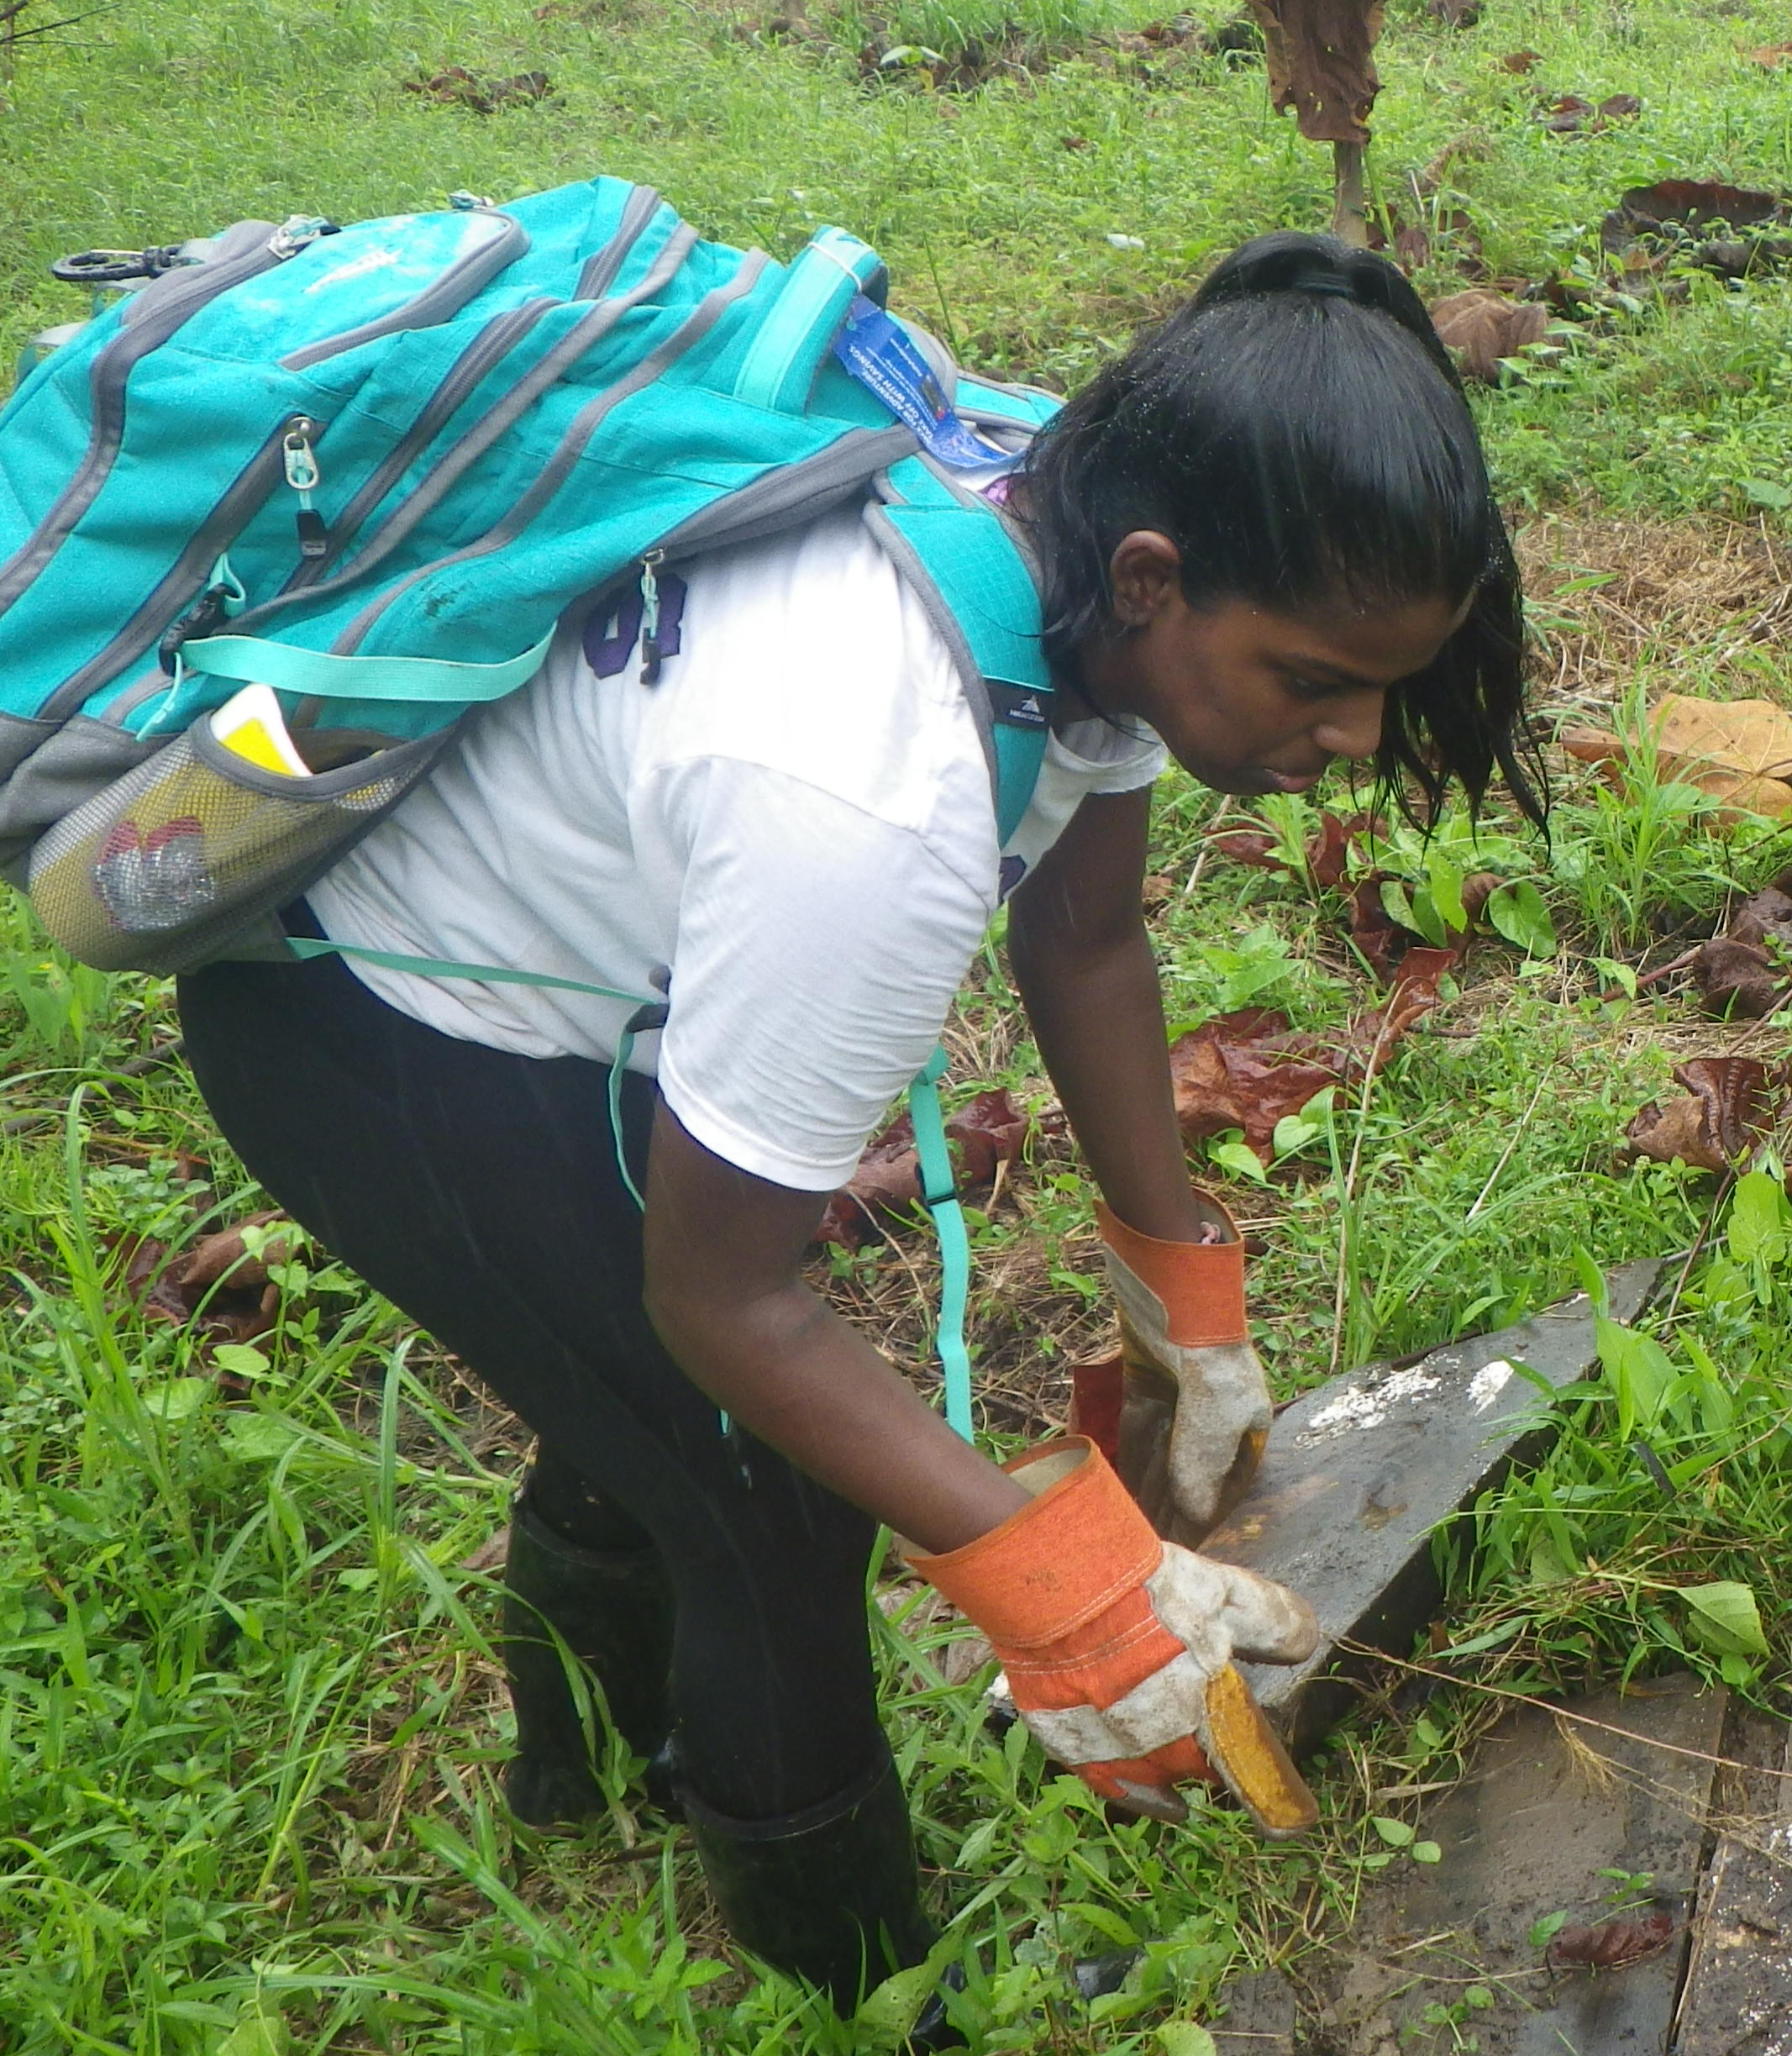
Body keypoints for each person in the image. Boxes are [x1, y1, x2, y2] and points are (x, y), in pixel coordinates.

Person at [170, 233, 1541, 2032]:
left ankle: (575, 1781)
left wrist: (1181, 1294)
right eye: (1311, 681)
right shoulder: (872, 791)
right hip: (379, 1035)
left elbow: (1089, 928)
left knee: (642, 1424)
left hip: (588, 993)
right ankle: (865, 1992)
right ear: (1154, 581)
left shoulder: (1055, 524)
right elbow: (729, 1301)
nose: (1352, 738)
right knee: (768, 1512)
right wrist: (1070, 1597)